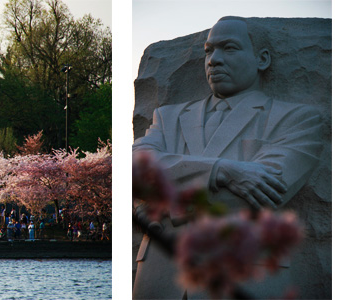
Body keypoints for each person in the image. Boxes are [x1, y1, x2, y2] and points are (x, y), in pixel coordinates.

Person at [132, 16, 324, 300]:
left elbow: (268, 190)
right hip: (162, 277)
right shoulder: (168, 117)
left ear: (262, 59)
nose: (214, 60)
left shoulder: (296, 120)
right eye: (209, 50)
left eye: (229, 48)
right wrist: (223, 171)